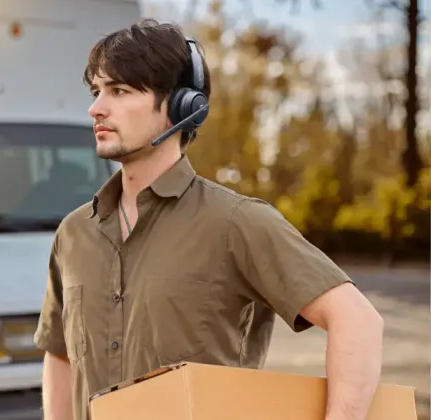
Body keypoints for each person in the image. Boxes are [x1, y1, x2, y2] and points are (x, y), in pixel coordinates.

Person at [34, 19, 384, 420]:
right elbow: (59, 354)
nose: (96, 107)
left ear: (184, 106)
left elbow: (357, 321)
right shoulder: (73, 233)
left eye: (119, 91)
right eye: (97, 91)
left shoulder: (236, 222)